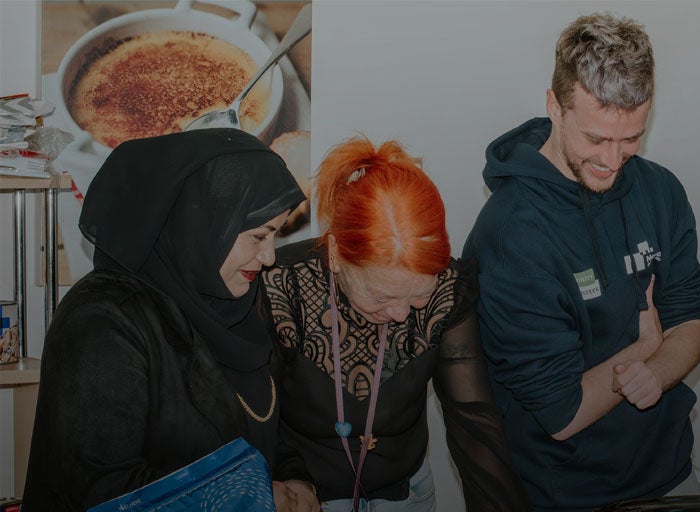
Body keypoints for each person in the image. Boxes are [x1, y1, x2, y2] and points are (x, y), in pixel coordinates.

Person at [462, 12, 700, 512]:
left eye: (631, 138)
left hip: (669, 470)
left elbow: (689, 319)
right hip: (568, 490)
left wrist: (657, 371)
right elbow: (563, 412)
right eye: (596, 139)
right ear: (555, 106)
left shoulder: (662, 190)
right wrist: (645, 344)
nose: (613, 160)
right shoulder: (512, 236)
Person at [22, 128, 316, 511]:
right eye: (259, 236)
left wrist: (297, 478)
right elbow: (103, 489)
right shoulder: (102, 320)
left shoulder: (233, 301)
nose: (270, 258)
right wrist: (254, 497)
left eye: (274, 236)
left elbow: (264, 417)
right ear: (201, 225)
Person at [262, 135, 529, 512]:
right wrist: (285, 479)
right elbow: (252, 416)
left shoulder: (448, 288)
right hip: (309, 500)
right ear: (337, 255)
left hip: (408, 496)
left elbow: (475, 422)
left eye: (418, 296)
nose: (402, 314)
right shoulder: (280, 287)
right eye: (381, 297)